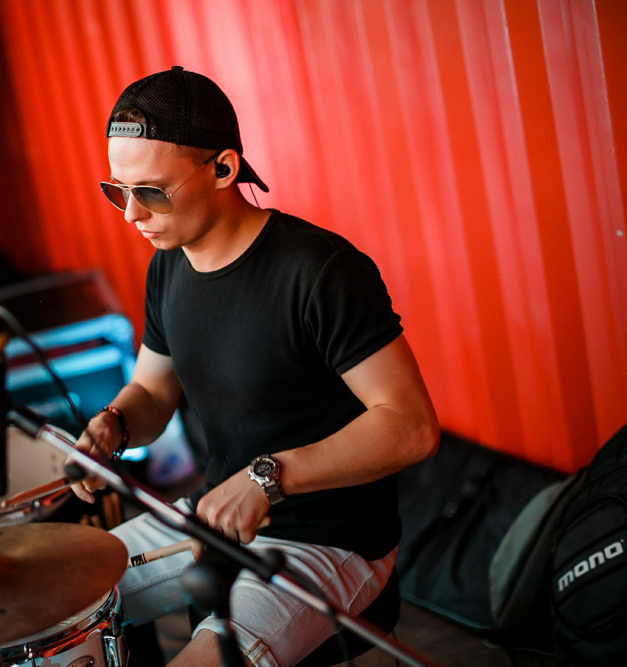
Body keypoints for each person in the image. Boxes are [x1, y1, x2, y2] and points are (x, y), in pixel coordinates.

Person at [73, 66, 439, 666]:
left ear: (223, 169)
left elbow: (412, 426)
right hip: (215, 512)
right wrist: (114, 424)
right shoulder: (168, 262)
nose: (131, 214)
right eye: (119, 190)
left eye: (152, 192)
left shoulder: (319, 271)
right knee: (59, 600)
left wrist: (268, 478)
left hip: (329, 538)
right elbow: (153, 393)